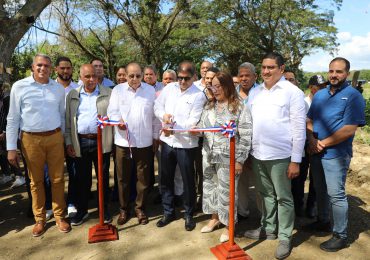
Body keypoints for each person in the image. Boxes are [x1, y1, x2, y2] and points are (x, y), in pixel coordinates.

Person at [244, 52, 306, 259]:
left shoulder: (292, 92)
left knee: (283, 198)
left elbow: (299, 129)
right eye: (263, 67)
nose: (265, 71)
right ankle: (268, 229)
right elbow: (248, 122)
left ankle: (284, 237)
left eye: (271, 67)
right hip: (258, 154)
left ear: (281, 69)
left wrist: (295, 160)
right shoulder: (256, 92)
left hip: (281, 156)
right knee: (265, 195)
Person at [7, 53, 71, 236]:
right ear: (33, 67)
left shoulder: (58, 89)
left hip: (54, 137)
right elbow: (13, 118)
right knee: (36, 181)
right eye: (39, 65)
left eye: (47, 66)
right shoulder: (19, 87)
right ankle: (40, 218)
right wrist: (11, 148)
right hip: (30, 140)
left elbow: (62, 116)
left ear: (52, 69)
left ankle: (59, 215)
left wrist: (64, 139)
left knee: (58, 178)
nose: (43, 69)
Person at [307, 57, 366, 252]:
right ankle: (323, 220)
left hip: (336, 155)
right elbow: (309, 120)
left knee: (336, 195)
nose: (334, 75)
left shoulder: (353, 96)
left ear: (347, 74)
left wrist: (322, 143)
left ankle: (340, 235)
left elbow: (349, 129)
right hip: (316, 151)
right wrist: (312, 140)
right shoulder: (320, 95)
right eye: (331, 71)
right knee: (320, 190)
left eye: (339, 71)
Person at [198, 71, 252, 243]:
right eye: (212, 86)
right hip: (209, 155)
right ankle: (215, 218)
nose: (215, 90)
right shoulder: (208, 105)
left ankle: (229, 226)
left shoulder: (239, 107)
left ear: (228, 85)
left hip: (228, 158)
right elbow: (202, 126)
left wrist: (239, 160)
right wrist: (195, 129)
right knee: (211, 187)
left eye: (218, 86)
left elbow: (245, 135)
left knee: (227, 192)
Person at [154, 61, 206, 231]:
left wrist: (173, 129)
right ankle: (168, 212)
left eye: (187, 78)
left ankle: (189, 214)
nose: (182, 82)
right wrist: (164, 116)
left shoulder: (199, 95)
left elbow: (193, 121)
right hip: (167, 142)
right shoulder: (169, 89)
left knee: (188, 180)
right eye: (180, 78)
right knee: (165, 179)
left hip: (186, 145)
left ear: (194, 77)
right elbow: (157, 106)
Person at [108, 62, 160, 225]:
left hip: (144, 142)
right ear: (126, 75)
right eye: (131, 76)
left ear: (142, 75)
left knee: (143, 178)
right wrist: (118, 121)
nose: (135, 79)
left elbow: (155, 117)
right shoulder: (118, 90)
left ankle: (140, 208)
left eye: (138, 75)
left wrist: (155, 137)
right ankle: (123, 209)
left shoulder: (150, 91)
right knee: (123, 178)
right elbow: (112, 112)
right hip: (123, 142)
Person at [65, 64, 113, 226]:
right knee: (82, 179)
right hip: (81, 142)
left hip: (102, 141)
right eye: (87, 76)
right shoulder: (73, 95)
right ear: (81, 77)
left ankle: (103, 210)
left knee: (103, 178)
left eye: (94, 76)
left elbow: (114, 116)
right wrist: (69, 142)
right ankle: (83, 210)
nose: (92, 79)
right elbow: (68, 122)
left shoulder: (108, 93)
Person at [292, 74, 327, 218]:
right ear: (311, 88)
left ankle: (311, 206)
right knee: (300, 177)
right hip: (303, 144)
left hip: (320, 143)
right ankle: (298, 205)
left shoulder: (325, 102)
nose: (321, 89)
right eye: (318, 87)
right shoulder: (303, 102)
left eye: (324, 86)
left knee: (316, 178)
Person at [235, 62, 260, 220]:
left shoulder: (262, 93)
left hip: (258, 145)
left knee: (260, 184)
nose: (244, 79)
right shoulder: (231, 93)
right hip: (238, 145)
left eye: (247, 75)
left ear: (255, 77)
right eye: (241, 75)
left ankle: (264, 217)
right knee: (241, 181)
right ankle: (242, 212)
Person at [55, 56, 79, 217]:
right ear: (56, 69)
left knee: (74, 171)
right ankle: (55, 205)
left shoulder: (77, 88)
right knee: (54, 175)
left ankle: (72, 202)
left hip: (72, 136)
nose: (65, 71)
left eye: (68, 68)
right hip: (54, 136)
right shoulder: (50, 87)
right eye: (62, 68)